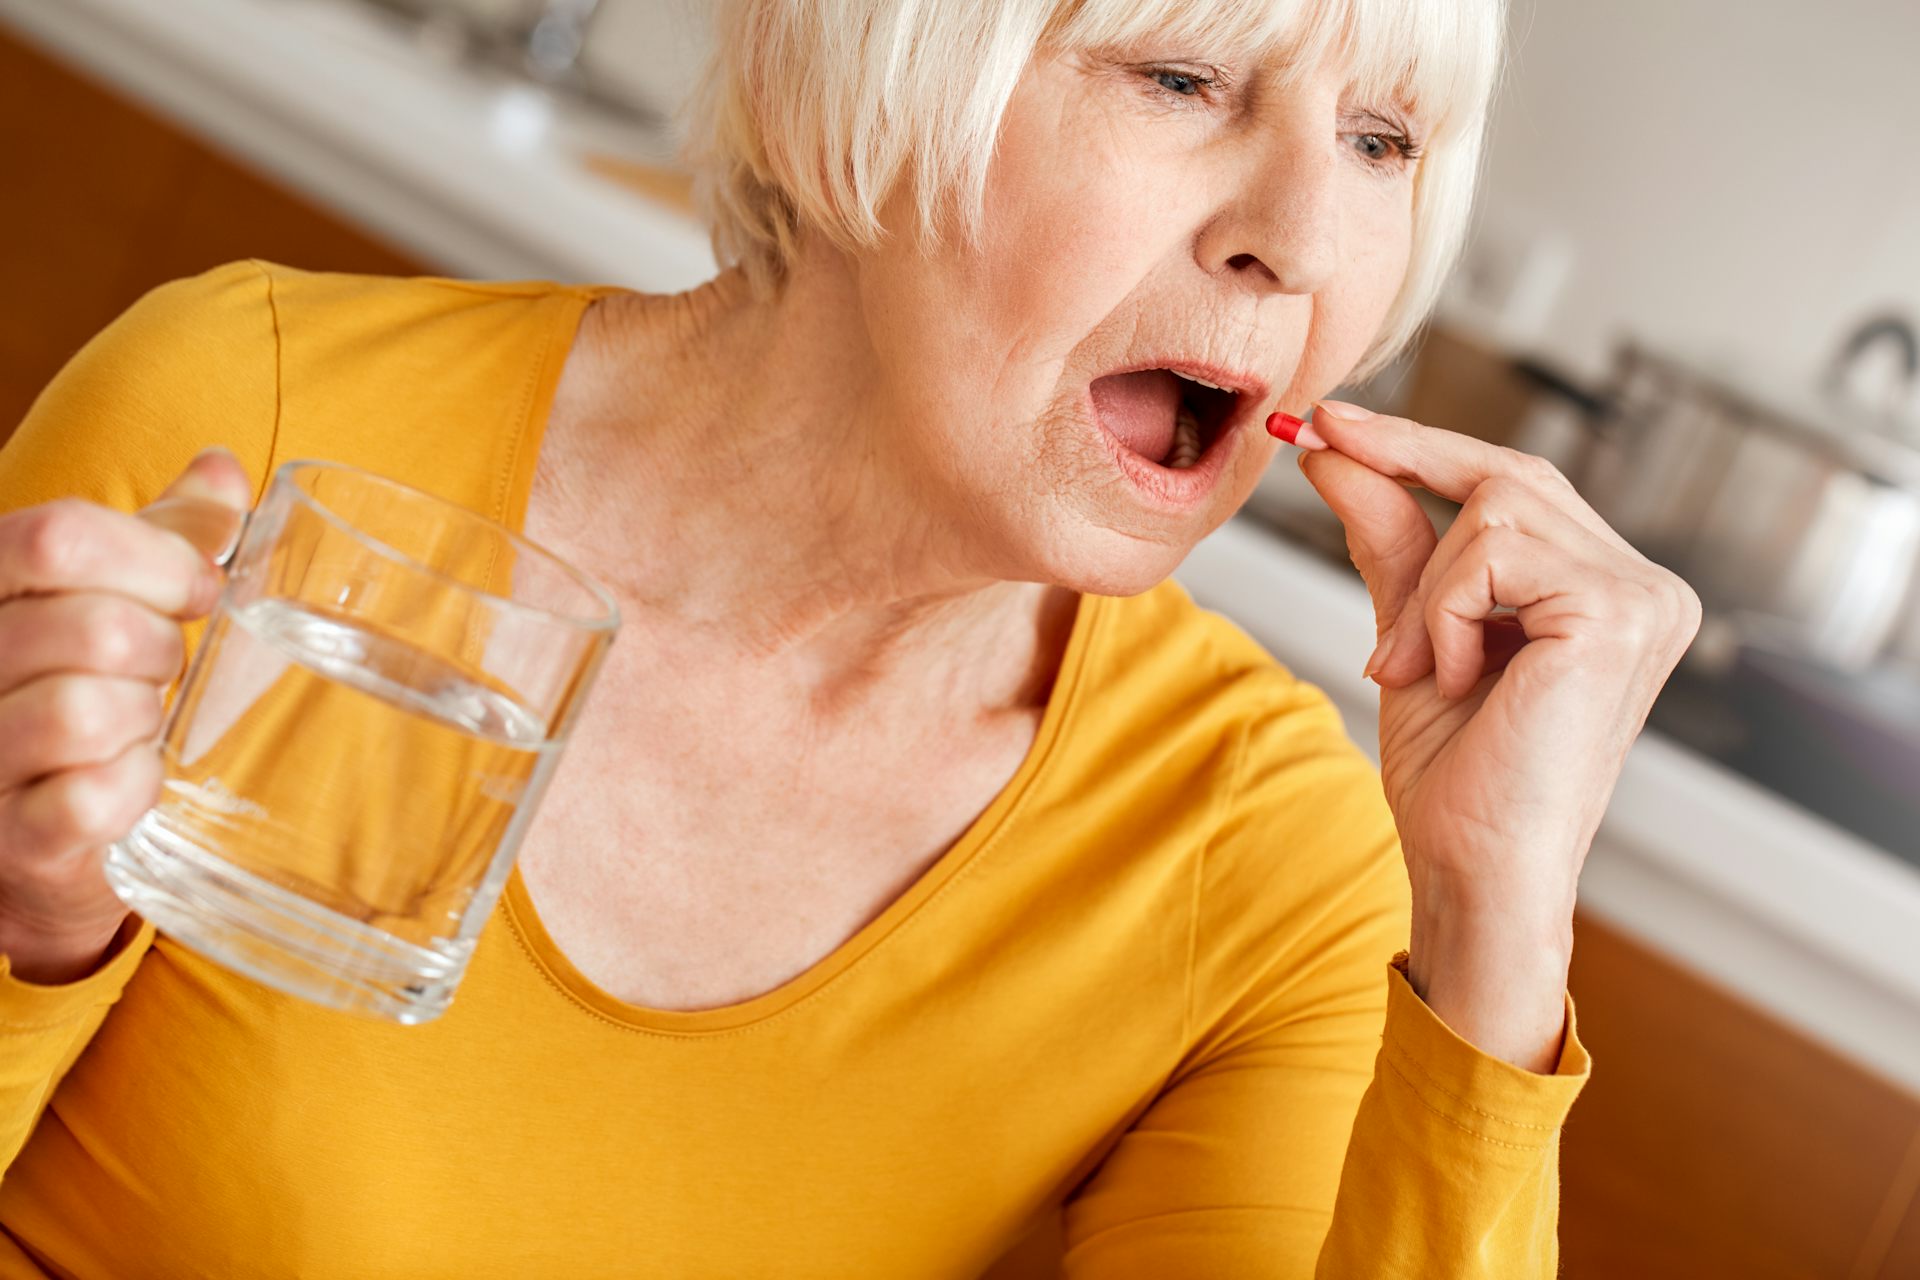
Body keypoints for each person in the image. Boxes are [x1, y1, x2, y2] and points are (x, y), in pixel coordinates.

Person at [0, 0, 1699, 1274]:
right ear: (862, 66)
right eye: (1182, 78)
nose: (1306, 242)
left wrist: (1495, 925)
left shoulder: (1258, 859)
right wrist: (28, 923)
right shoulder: (255, 431)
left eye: (1383, 142)